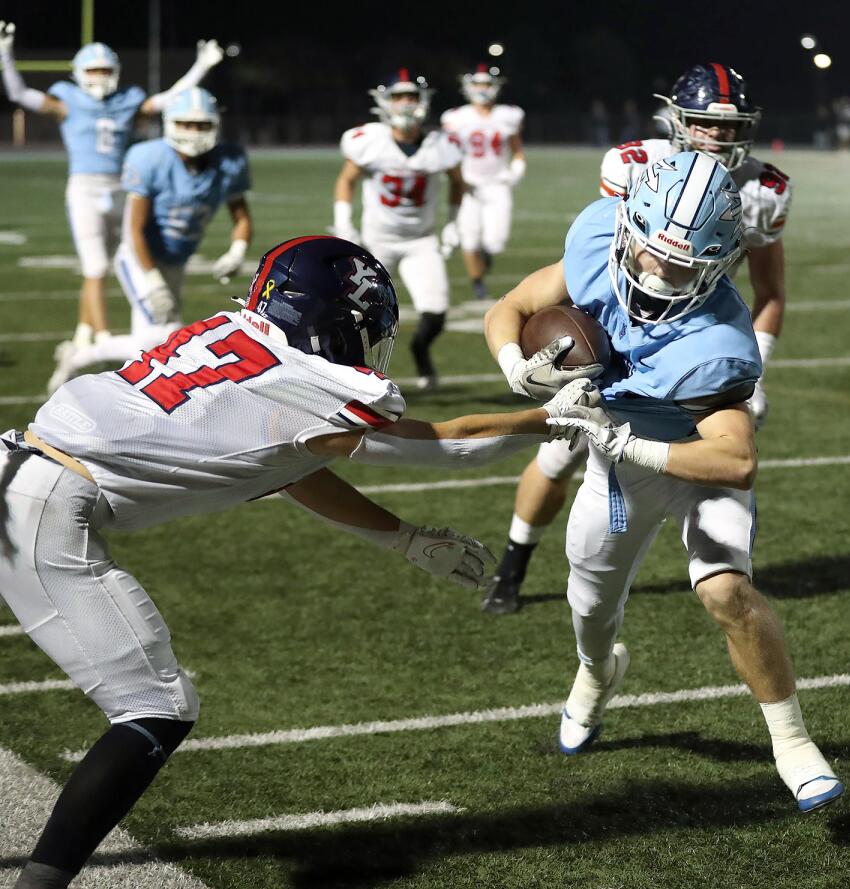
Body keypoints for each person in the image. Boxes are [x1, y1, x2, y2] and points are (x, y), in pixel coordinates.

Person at [0, 235, 595, 889]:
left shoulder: (233, 335)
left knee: (155, 704)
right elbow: (446, 447)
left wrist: (402, 537)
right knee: (155, 707)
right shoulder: (306, 382)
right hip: (45, 510)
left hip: (23, 472)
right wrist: (551, 418)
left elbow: (290, 466)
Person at [483, 151, 843, 813]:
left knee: (728, 591)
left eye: (683, 264)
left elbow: (735, 460)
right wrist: (516, 365)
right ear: (628, 226)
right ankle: (596, 672)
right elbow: (511, 306)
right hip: (618, 476)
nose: (658, 272)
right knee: (590, 612)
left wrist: (624, 437)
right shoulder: (596, 241)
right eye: (650, 252)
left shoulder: (719, 340)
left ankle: (791, 741)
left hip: (691, 467)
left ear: (716, 262)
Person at [481, 63, 790, 615]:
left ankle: (722, 573)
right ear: (675, 121)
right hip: (615, 332)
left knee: (710, 465)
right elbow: (609, 256)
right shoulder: (636, 165)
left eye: (730, 126)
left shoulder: (762, 191)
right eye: (703, 124)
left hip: (693, 344)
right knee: (557, 459)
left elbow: (769, 291)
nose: (718, 135)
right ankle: (513, 562)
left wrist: (757, 370)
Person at [0, 21, 224, 352]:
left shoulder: (127, 101)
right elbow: (19, 94)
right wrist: (5, 53)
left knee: (131, 258)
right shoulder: (68, 100)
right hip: (85, 189)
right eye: (93, 70)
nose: (100, 77)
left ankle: (85, 329)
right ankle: (101, 338)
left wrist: (201, 67)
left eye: (106, 70)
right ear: (79, 72)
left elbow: (168, 101)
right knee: (97, 266)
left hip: (125, 188)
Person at [47, 87, 251, 391]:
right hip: (139, 257)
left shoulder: (229, 160)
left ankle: (82, 358)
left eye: (202, 125)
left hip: (177, 259)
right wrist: (152, 278)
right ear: (170, 123)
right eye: (186, 124)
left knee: (166, 338)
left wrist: (237, 251)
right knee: (154, 340)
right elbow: (134, 228)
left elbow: (241, 216)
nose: (193, 132)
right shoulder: (149, 157)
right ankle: (87, 363)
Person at [334, 68, 465, 391]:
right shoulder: (371, 141)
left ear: (422, 101)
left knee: (435, 312)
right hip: (377, 242)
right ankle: (350, 375)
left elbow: (457, 183)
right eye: (398, 96)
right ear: (384, 101)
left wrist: (453, 222)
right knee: (356, 314)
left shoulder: (440, 144)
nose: (405, 103)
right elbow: (346, 180)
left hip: (421, 242)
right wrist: (343, 222)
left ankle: (420, 351)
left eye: (411, 96)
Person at [440, 65, 526, 301]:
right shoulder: (455, 117)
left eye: (486, 84)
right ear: (468, 87)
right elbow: (447, 152)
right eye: (477, 84)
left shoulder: (508, 115)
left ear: (495, 87)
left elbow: (517, 150)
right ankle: (477, 282)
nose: (482, 89)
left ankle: (485, 259)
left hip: (497, 183)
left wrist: (516, 172)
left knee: (495, 242)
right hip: (468, 185)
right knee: (469, 237)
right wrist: (454, 177)